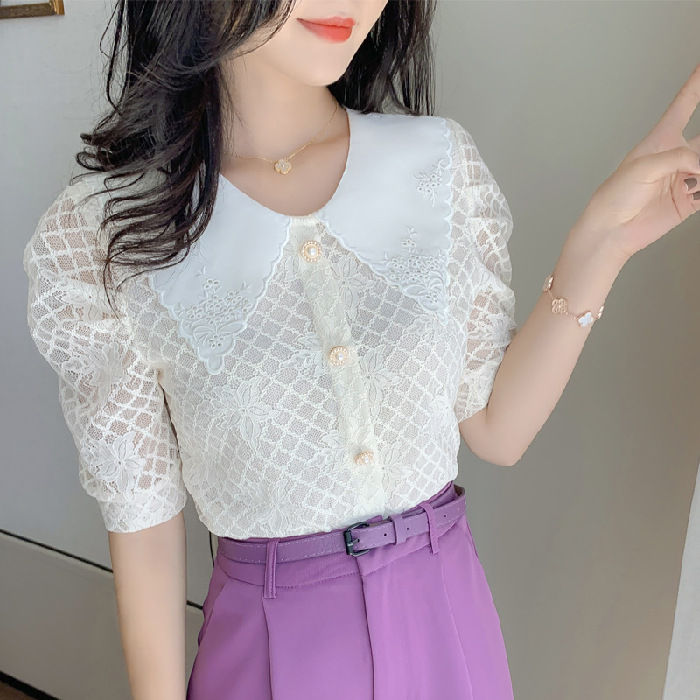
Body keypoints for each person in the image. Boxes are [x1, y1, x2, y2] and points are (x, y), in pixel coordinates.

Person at [22, 0, 700, 697]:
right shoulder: (104, 235)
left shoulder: (438, 165)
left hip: (447, 623)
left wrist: (603, 241)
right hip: (269, 646)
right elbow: (144, 522)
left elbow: (497, 429)